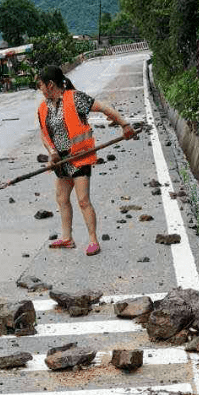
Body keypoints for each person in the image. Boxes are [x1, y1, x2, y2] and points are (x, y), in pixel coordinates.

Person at [36, 65, 136, 256]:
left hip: (79, 157)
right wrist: (52, 152)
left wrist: (125, 124)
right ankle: (67, 238)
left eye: (41, 85)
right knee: (62, 199)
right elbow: (43, 133)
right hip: (61, 160)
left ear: (50, 85)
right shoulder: (43, 107)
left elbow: (104, 107)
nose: (40, 90)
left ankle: (93, 240)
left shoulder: (75, 98)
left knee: (83, 200)